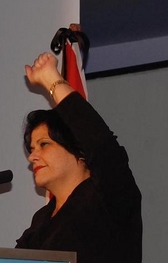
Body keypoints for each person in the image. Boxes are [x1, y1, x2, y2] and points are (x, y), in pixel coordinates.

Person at [17, 52, 142, 263]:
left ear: (78, 149)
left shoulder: (107, 197)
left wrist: (51, 80)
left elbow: (102, 145)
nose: (33, 157)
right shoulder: (41, 221)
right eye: (31, 149)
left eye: (44, 145)